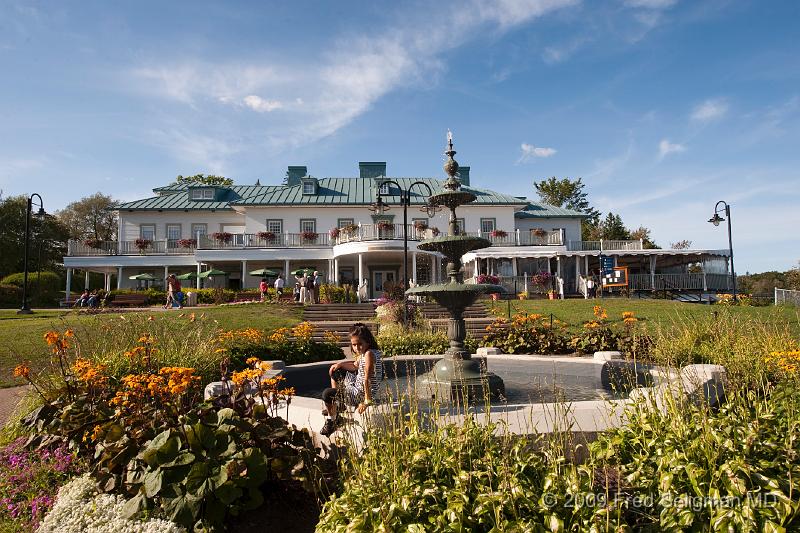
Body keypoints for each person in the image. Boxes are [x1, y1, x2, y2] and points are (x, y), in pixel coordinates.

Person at [320, 323, 384, 437]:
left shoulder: (369, 354)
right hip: (356, 387)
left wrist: (366, 402)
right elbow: (354, 366)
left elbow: (367, 379)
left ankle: (333, 420)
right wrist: (339, 364)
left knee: (327, 394)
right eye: (354, 345)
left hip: (359, 394)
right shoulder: (367, 352)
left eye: (360, 344)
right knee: (336, 371)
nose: (356, 348)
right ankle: (338, 405)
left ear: (367, 342)